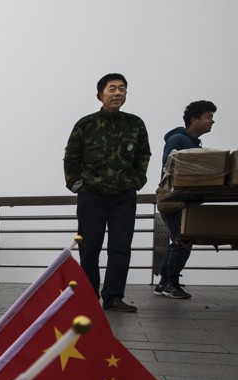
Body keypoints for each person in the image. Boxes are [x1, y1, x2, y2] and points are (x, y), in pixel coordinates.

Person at [63, 73, 151, 313]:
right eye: (112, 89)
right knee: (89, 247)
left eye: (122, 89)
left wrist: (137, 180)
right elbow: (71, 157)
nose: (117, 93)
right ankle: (89, 296)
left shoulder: (135, 124)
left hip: (124, 196)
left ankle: (113, 297)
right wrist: (78, 185)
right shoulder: (86, 124)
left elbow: (144, 154)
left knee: (120, 247)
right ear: (100, 95)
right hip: (92, 195)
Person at [155, 100, 217, 299]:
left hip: (184, 199)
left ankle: (164, 282)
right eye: (208, 117)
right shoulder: (177, 140)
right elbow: (170, 169)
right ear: (194, 119)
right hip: (174, 198)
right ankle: (170, 283)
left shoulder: (193, 143)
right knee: (183, 240)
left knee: (180, 241)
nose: (212, 121)